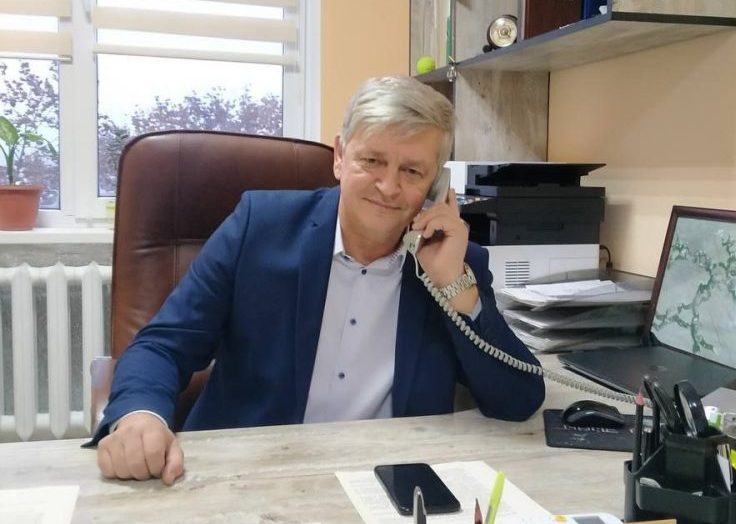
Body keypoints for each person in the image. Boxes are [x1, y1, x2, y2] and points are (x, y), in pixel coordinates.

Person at [95, 76, 546, 485]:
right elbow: (163, 344)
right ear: (340, 157)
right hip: (250, 477)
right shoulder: (259, 227)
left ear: (436, 185)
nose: (389, 187)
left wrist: (453, 284)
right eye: (372, 160)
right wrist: (140, 416)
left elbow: (518, 400)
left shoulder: (452, 261)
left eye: (412, 171)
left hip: (386, 484)